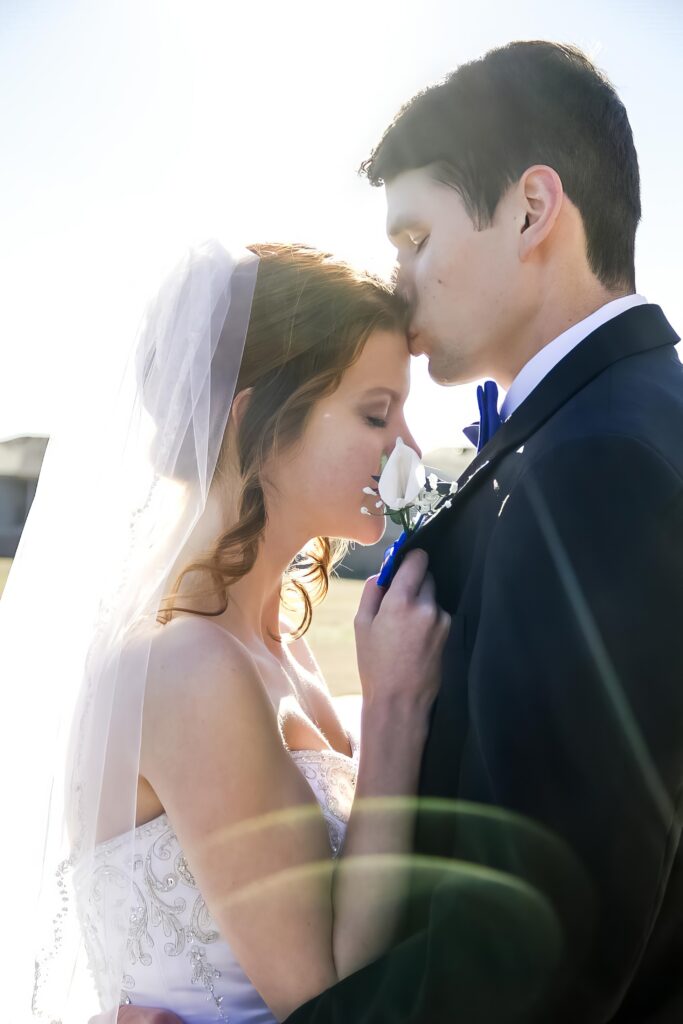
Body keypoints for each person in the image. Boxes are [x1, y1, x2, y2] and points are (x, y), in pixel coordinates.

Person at [279, 39, 683, 1024]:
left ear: (533, 210)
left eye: (414, 237)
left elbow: (534, 947)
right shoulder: (617, 422)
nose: (398, 278)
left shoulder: (597, 465)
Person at [12, 240, 452, 1024]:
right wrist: (393, 709)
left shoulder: (275, 647)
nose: (408, 451)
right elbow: (328, 998)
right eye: (375, 413)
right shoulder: (187, 665)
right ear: (256, 420)